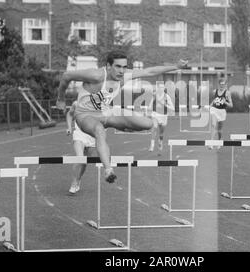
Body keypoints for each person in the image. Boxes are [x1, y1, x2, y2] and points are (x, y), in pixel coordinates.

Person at [56, 50, 188, 183]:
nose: (122, 71)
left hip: (106, 113)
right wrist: (61, 99)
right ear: (108, 66)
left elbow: (150, 71)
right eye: (118, 67)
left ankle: (124, 127)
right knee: (99, 131)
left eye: (124, 67)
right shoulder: (96, 75)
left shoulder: (125, 76)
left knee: (148, 124)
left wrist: (176, 66)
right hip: (85, 115)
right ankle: (108, 170)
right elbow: (67, 76)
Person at [66, 101, 97, 194]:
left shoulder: (101, 105)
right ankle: (74, 182)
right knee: (80, 158)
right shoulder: (77, 103)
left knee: (84, 163)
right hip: (79, 134)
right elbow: (70, 114)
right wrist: (69, 127)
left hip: (92, 136)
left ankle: (78, 179)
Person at [148, 83, 175, 153]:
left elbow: (172, 108)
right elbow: (150, 105)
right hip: (155, 114)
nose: (161, 89)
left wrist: (165, 105)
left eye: (162, 88)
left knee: (161, 132)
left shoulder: (167, 97)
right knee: (154, 127)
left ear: (164, 89)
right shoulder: (154, 95)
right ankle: (152, 144)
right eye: (160, 88)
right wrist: (151, 104)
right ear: (158, 88)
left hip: (163, 116)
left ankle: (160, 141)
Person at [209, 77, 233, 149]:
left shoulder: (227, 93)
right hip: (214, 110)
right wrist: (210, 105)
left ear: (226, 85)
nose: (222, 86)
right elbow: (214, 100)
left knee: (219, 130)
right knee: (213, 125)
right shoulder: (215, 91)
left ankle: (219, 142)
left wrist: (225, 101)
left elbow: (231, 105)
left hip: (222, 112)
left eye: (223, 84)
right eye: (220, 84)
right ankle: (211, 143)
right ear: (218, 84)